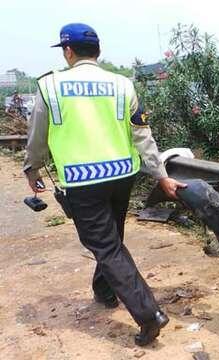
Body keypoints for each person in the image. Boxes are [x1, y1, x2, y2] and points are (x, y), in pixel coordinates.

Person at [23, 23, 186, 346]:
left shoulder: (51, 86)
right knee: (112, 239)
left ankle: (148, 313)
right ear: (98, 51)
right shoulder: (122, 85)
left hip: (83, 182)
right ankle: (105, 290)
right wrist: (161, 175)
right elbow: (143, 136)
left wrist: (32, 169)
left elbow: (37, 136)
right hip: (122, 176)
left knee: (107, 246)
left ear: (68, 51)